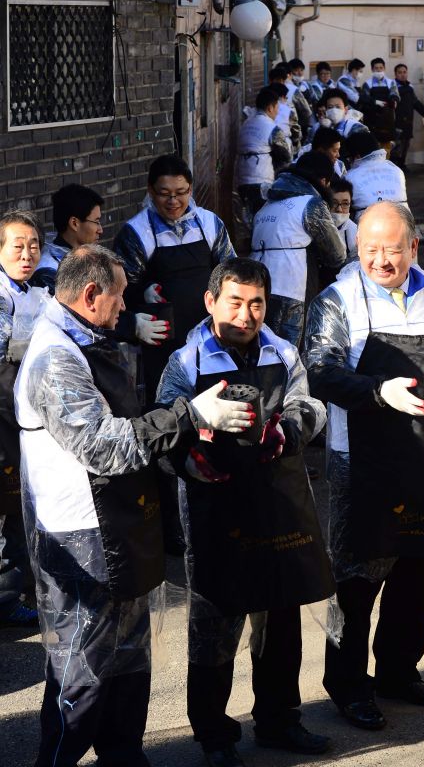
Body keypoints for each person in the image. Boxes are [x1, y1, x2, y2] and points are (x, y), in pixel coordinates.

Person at [14, 243, 255, 767]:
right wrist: (190, 414)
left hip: (120, 524)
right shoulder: (56, 358)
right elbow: (104, 447)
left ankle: (124, 757)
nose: (127, 308)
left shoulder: (90, 335)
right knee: (83, 674)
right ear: (92, 294)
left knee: (126, 666)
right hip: (80, 537)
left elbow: (134, 428)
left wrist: (183, 456)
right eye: (121, 297)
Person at [304, 201, 424, 732]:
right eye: (369, 250)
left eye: (392, 249)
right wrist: (375, 391)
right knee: (357, 577)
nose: (380, 261)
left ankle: (398, 671)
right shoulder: (337, 300)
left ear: (414, 247)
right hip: (360, 459)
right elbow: (319, 373)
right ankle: (347, 685)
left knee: (417, 573)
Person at [156, 258, 335, 767]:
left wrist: (288, 429)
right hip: (216, 512)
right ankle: (214, 737)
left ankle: (280, 721)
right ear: (211, 301)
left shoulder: (283, 351)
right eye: (235, 301)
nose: (247, 313)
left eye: (256, 303)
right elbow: (165, 428)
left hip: (280, 508)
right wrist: (189, 460)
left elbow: (311, 406)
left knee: (280, 623)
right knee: (214, 631)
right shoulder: (186, 361)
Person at [114, 153, 237, 405]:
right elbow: (119, 290)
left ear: (190, 189)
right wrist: (140, 297)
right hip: (162, 341)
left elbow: (231, 273)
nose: (173, 201)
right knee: (169, 408)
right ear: (150, 191)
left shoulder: (209, 223)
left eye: (181, 192)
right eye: (164, 194)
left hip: (209, 333)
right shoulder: (137, 232)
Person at [31, 183, 169, 349]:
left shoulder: (84, 256)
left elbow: (108, 292)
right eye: (96, 222)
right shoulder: (49, 271)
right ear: (74, 223)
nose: (100, 230)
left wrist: (140, 293)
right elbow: (76, 318)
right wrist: (131, 326)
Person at [0, 210, 46, 629]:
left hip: (18, 415)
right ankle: (6, 598)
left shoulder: (35, 291)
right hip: (2, 419)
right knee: (8, 505)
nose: (27, 253)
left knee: (16, 507)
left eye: (33, 245)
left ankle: (11, 593)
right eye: (18, 246)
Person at [250, 151, 346, 347]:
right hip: (292, 290)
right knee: (290, 354)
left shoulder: (266, 205)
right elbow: (337, 255)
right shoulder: (311, 204)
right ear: (323, 181)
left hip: (258, 287)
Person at [235, 88, 292, 227]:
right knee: (263, 217)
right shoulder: (271, 127)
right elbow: (286, 155)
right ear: (270, 107)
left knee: (248, 218)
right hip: (261, 178)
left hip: (242, 177)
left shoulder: (246, 123)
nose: (277, 112)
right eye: (277, 108)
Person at [345, 132, 407, 222]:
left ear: (357, 156)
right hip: (402, 224)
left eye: (349, 158)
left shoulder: (350, 177)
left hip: (369, 228)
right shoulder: (396, 170)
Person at [390, 64, 424, 172]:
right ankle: (395, 168)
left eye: (404, 72)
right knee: (397, 146)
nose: (402, 74)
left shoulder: (410, 87)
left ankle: (402, 164)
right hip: (397, 122)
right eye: (400, 72)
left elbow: (415, 102)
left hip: (408, 121)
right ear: (395, 74)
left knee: (406, 143)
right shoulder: (393, 87)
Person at [362, 58, 400, 156]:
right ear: (372, 69)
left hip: (387, 118)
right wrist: (374, 102)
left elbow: (394, 93)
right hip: (372, 118)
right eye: (376, 68)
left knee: (387, 147)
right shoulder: (367, 83)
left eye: (381, 68)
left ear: (384, 68)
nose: (379, 70)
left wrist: (394, 100)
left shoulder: (390, 82)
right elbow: (364, 98)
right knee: (374, 146)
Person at [268, 64, 312, 142]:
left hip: (290, 134)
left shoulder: (292, 90)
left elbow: (306, 111)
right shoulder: (265, 93)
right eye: (278, 79)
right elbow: (307, 112)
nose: (280, 82)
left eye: (282, 80)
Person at [330, 176, 357, 261]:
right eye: (334, 203)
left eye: (345, 204)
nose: (339, 209)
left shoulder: (354, 230)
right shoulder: (316, 226)